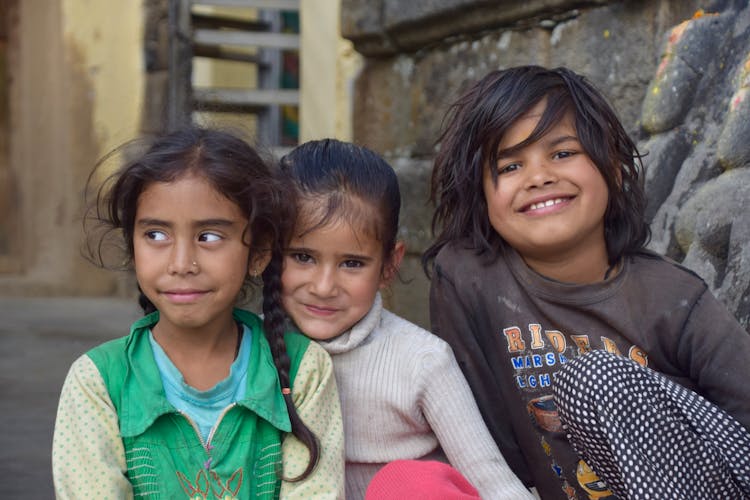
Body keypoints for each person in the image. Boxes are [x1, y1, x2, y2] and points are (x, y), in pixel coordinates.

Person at [422, 64, 750, 499]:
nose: (538, 177)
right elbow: (487, 443)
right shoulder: (469, 280)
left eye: (561, 153)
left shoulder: (673, 297)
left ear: (613, 167)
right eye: (511, 164)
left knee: (594, 379)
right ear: (482, 194)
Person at [52, 127, 345, 499]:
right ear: (133, 246)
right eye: (156, 235)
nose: (181, 263)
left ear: (258, 252)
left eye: (209, 236)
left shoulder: (304, 371)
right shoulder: (98, 382)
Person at [277, 139, 534, 500]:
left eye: (352, 263)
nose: (323, 286)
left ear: (390, 265)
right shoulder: (246, 350)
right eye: (302, 257)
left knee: (408, 486)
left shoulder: (422, 361)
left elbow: (493, 482)